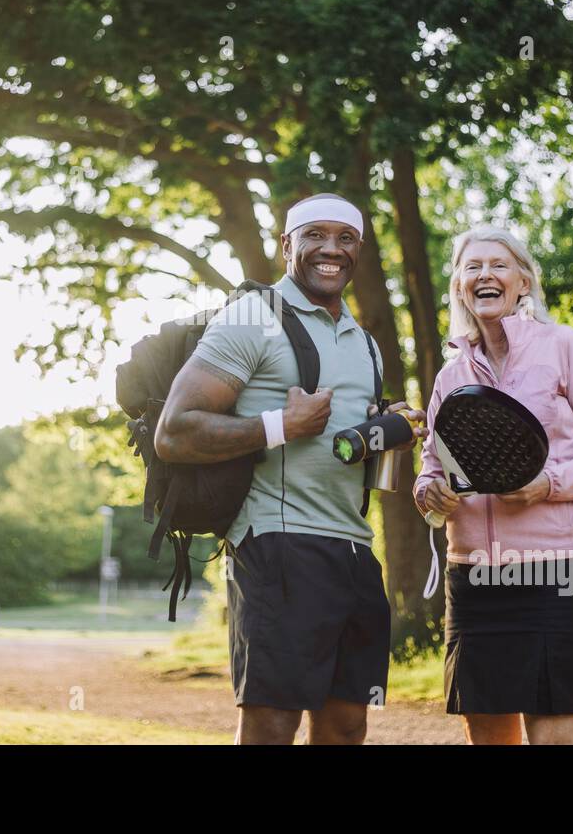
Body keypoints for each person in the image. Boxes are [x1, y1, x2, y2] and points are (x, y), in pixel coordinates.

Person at [155, 193, 426, 745]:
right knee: (273, 721)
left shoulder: (366, 342)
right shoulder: (252, 317)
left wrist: (387, 427)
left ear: (360, 251)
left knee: (348, 723)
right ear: (286, 246)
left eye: (346, 238)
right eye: (315, 235)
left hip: (353, 548)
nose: (332, 248)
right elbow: (174, 430)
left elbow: (345, 442)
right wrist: (280, 425)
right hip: (276, 544)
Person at [414, 225, 573, 745]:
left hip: (557, 568)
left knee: (554, 730)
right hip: (472, 574)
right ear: (459, 286)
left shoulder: (561, 346)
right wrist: (430, 494)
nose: (485, 275)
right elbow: (431, 467)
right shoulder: (450, 375)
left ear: (522, 281)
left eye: (498, 265)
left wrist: (550, 484)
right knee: (488, 732)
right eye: (473, 267)